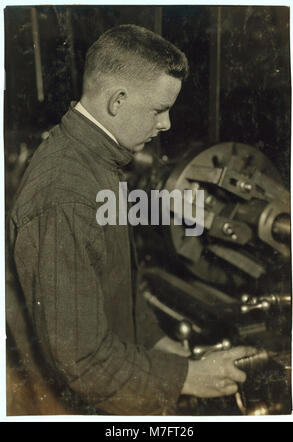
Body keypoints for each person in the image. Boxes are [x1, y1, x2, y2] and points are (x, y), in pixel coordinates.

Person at [6, 24, 255, 416]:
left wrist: (157, 344)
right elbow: (83, 361)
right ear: (117, 100)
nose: (166, 124)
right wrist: (187, 377)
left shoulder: (95, 160)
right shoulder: (65, 194)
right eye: (159, 109)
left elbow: (113, 280)